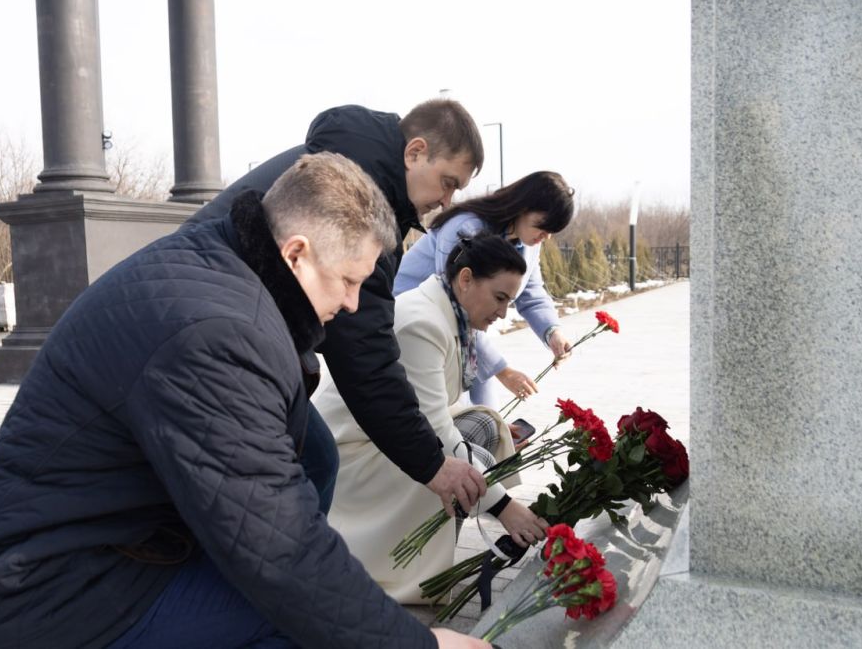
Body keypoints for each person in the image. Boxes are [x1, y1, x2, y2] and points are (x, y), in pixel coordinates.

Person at [0, 154, 489, 649]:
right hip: (42, 596)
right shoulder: (219, 335)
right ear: (296, 253)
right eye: (348, 281)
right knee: (306, 628)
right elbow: (284, 553)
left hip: (107, 543)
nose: (352, 304)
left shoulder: (227, 259)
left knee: (315, 463)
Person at [188, 100, 488, 518]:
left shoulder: (360, 170)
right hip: (206, 333)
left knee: (314, 458)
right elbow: (364, 354)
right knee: (307, 465)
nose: (446, 199)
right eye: (447, 181)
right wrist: (432, 465)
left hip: (226, 323)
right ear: (415, 152)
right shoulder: (357, 204)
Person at [315, 233, 550, 602]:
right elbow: (436, 431)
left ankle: (438, 542)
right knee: (461, 457)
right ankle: (406, 562)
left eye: (510, 302)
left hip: (383, 437)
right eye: (500, 298)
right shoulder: (422, 322)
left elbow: (436, 410)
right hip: (353, 456)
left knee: (485, 426)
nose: (504, 313)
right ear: (466, 279)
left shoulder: (447, 311)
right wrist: (505, 508)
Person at [394, 171, 576, 409]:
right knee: (450, 413)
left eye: (553, 230)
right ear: (522, 207)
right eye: (543, 226)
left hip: (466, 336)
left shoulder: (528, 244)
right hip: (413, 326)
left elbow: (531, 293)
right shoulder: (466, 229)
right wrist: (504, 371)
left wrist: (552, 332)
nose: (547, 236)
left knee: (487, 417)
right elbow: (456, 305)